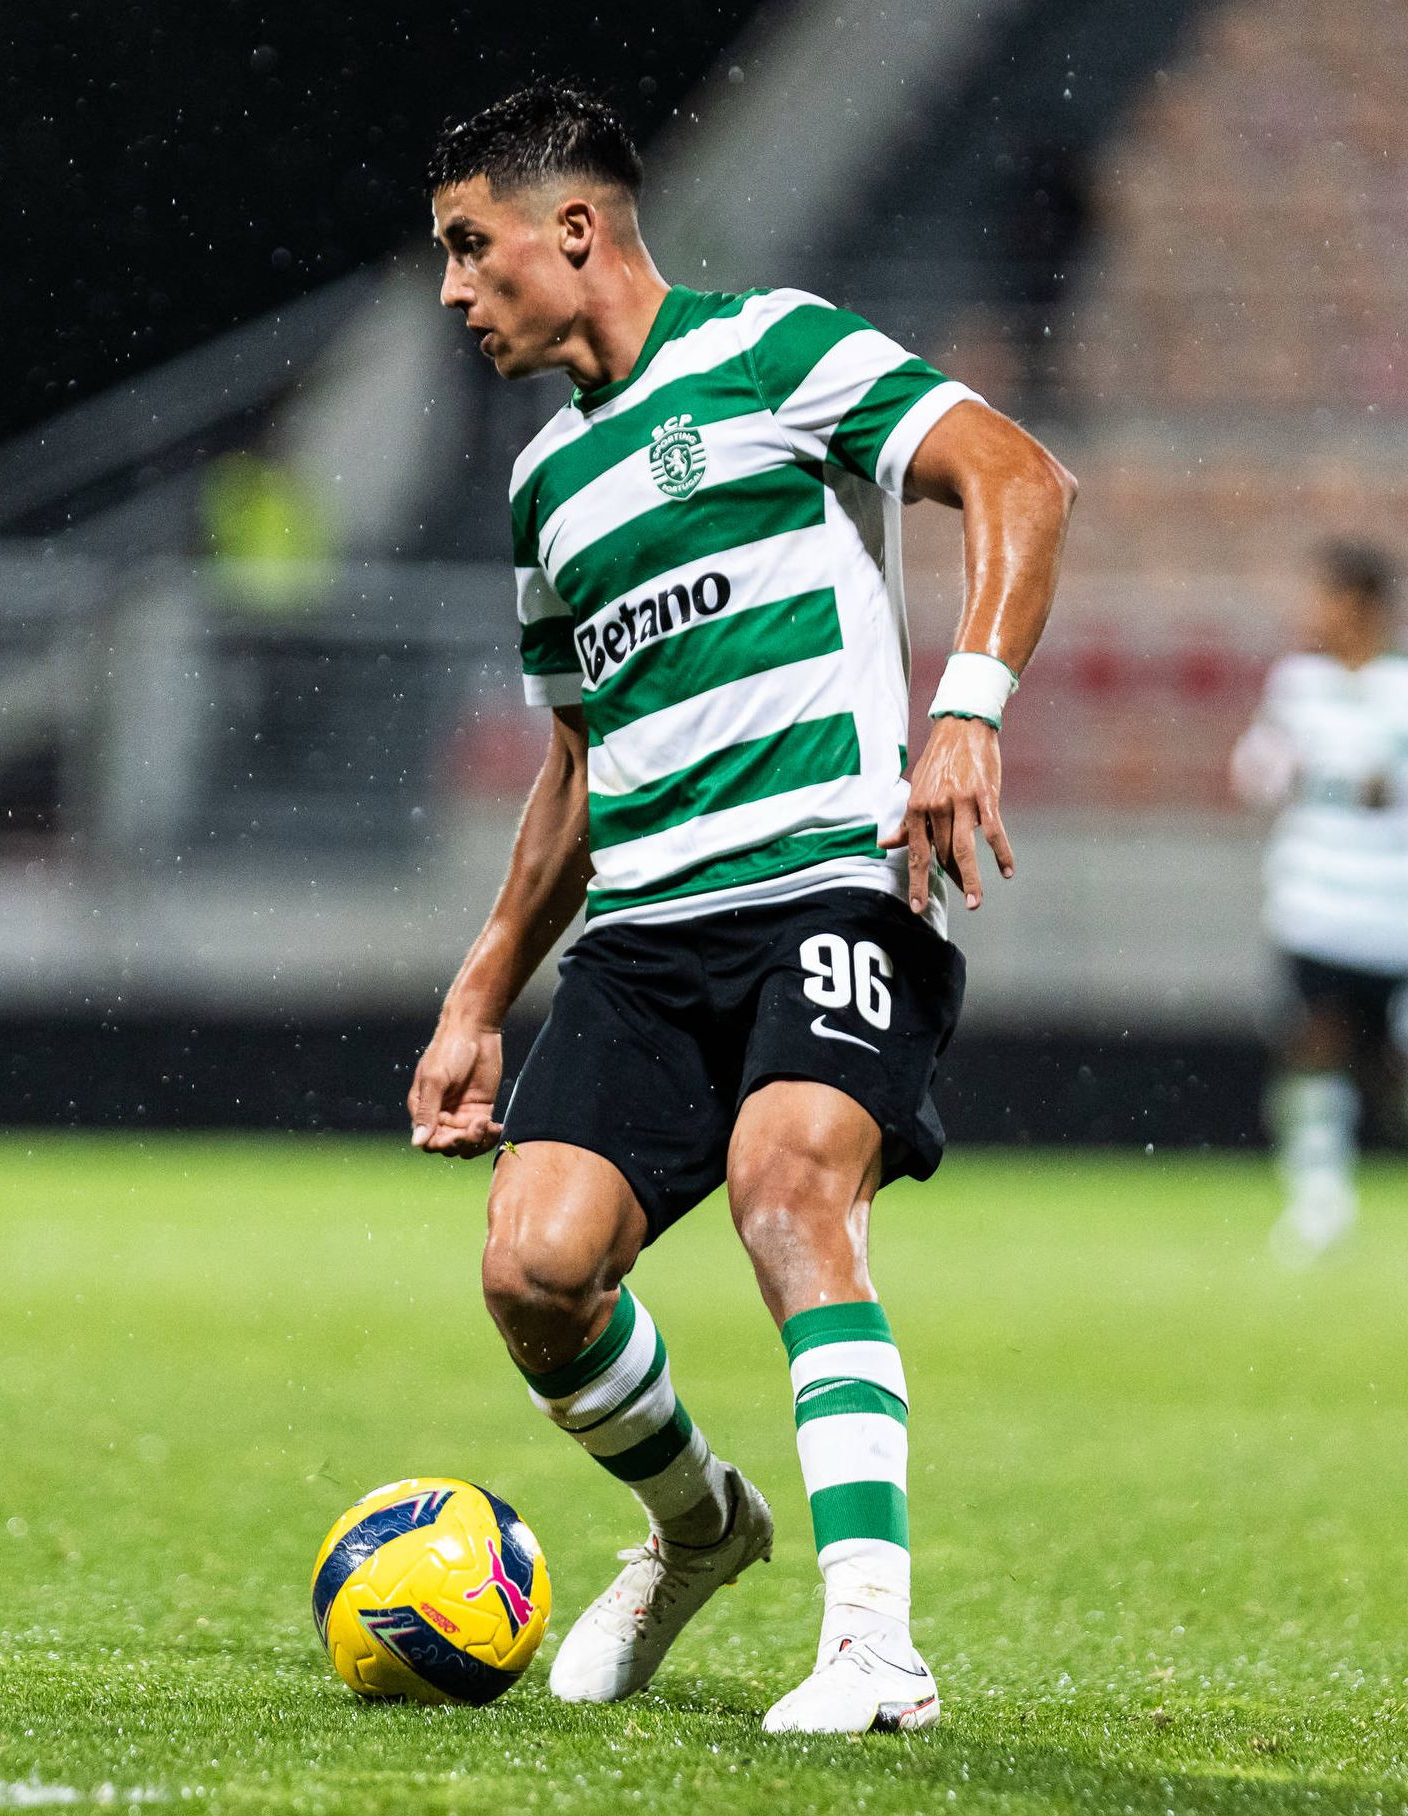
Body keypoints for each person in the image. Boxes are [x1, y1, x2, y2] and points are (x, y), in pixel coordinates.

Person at [407, 83, 1074, 1733]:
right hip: (643, 937)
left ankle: (872, 1644)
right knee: (532, 1272)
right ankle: (700, 1525)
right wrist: (478, 994)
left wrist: (968, 707)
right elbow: (574, 765)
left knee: (790, 1184)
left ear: (572, 229)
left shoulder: (768, 350)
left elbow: (1016, 476)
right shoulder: (544, 487)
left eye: (469, 246)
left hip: (828, 883)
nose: (453, 290)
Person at [1229, 542, 1408, 1266]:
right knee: (1313, 1047)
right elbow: (1252, 771)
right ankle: (1318, 1201)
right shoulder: (1298, 681)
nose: (1311, 612)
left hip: (1403, 917)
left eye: (1324, 597)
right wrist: (1279, 770)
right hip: (1315, 902)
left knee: (1404, 1084)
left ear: (1361, 603)